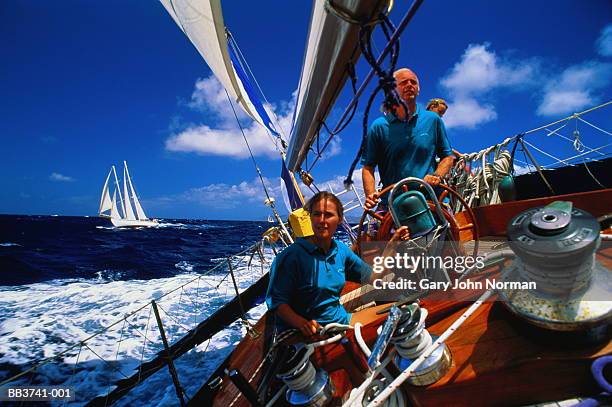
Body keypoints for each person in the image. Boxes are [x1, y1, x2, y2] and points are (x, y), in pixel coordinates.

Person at [265, 191, 409, 336]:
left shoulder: (340, 250)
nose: (322, 220)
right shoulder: (291, 256)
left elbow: (372, 278)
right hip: (308, 333)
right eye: (316, 214)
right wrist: (302, 323)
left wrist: (391, 246)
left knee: (403, 313)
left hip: (340, 322)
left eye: (328, 215)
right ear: (310, 218)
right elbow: (277, 303)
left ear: (339, 219)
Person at [361, 68, 455, 211]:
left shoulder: (433, 120)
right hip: (392, 202)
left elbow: (448, 157)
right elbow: (368, 167)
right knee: (375, 233)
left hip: (431, 199)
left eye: (413, 82)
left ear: (418, 90)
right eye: (403, 82)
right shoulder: (379, 126)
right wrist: (371, 194)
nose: (410, 85)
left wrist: (437, 175)